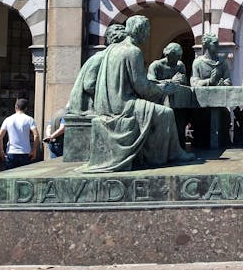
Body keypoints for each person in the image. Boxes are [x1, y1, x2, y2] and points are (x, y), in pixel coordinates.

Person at [83, 15, 195, 172]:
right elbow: (142, 87)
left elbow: (137, 83)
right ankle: (162, 156)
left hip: (108, 105)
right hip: (123, 106)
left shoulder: (113, 49)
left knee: (158, 111)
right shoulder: (133, 52)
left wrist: (158, 85)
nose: (148, 34)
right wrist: (164, 89)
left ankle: (160, 153)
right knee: (166, 113)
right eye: (147, 30)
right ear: (140, 31)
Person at [69, 24, 127, 114]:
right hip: (91, 107)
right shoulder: (100, 58)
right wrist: (109, 93)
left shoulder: (115, 59)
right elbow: (89, 85)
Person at [191, 33, 232, 148]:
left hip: (219, 102)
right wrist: (210, 81)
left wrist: (223, 84)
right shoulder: (198, 63)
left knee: (224, 116)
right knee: (201, 118)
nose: (218, 45)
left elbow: (229, 81)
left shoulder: (222, 63)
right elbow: (194, 82)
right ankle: (201, 143)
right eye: (215, 43)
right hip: (202, 104)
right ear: (207, 45)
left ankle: (222, 142)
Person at [148, 42, 191, 152]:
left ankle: (180, 146)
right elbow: (150, 81)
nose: (180, 58)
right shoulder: (156, 65)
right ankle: (163, 147)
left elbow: (184, 82)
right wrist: (170, 81)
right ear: (169, 54)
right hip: (159, 102)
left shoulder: (180, 65)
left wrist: (182, 80)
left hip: (178, 102)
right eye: (177, 55)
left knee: (182, 117)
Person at [0, 98, 40, 170]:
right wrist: (34, 150)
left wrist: (1, 152)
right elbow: (36, 135)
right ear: (26, 108)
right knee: (23, 178)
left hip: (11, 152)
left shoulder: (8, 119)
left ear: (16, 107)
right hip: (25, 152)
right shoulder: (29, 119)